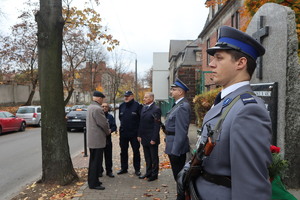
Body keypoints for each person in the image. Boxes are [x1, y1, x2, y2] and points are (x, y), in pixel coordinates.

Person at [180, 26, 273, 200]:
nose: (212, 64)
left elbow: (251, 188)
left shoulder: (248, 110)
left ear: (240, 63)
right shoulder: (226, 101)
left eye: (219, 58)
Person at [164, 78, 191, 182]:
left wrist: (175, 151)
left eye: (174, 89)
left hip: (177, 148)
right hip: (173, 144)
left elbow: (181, 131)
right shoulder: (177, 104)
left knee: (179, 176)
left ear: (180, 92)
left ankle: (182, 196)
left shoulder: (183, 106)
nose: (171, 91)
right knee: (177, 176)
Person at [86, 91, 110, 190]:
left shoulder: (90, 107)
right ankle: (93, 183)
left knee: (93, 162)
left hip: (92, 140)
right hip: (97, 140)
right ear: (98, 98)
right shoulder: (97, 109)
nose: (102, 100)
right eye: (102, 98)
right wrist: (108, 131)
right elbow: (103, 123)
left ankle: (93, 180)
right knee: (96, 162)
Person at [137, 92, 162, 181]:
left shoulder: (156, 109)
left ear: (151, 99)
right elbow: (141, 123)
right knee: (147, 157)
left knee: (153, 157)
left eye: (146, 97)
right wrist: (139, 135)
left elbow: (156, 125)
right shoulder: (144, 108)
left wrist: (154, 138)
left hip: (151, 137)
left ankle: (154, 174)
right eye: (144, 97)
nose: (144, 99)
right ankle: (148, 172)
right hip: (144, 137)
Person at [117, 90, 142, 176]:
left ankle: (137, 169)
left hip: (134, 134)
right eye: (125, 96)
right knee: (123, 151)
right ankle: (124, 168)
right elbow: (120, 118)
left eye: (128, 96)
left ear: (132, 96)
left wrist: (139, 134)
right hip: (124, 133)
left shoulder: (138, 106)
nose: (126, 97)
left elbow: (141, 120)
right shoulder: (122, 106)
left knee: (136, 151)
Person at [99, 103, 117, 178]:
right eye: (103, 106)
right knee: (99, 156)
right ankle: (100, 171)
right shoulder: (98, 116)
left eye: (106, 106)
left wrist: (111, 130)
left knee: (108, 156)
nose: (104, 108)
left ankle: (109, 171)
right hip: (99, 139)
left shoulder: (110, 116)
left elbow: (114, 126)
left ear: (108, 108)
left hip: (108, 140)